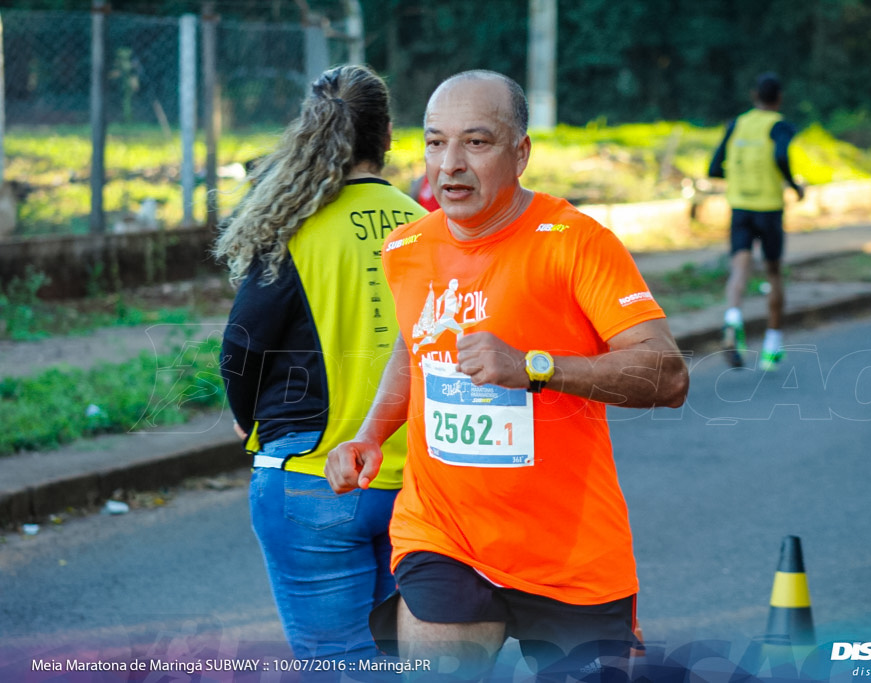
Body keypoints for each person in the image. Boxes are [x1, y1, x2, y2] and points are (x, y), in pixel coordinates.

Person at [324, 69, 689, 681]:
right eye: (436, 142)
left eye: (477, 141)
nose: (451, 164)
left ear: (521, 153)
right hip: (444, 534)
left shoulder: (574, 242)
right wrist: (370, 433)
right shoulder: (406, 248)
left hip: (570, 552)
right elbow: (414, 351)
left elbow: (668, 375)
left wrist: (532, 368)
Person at [214, 64, 427, 661]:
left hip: (313, 473)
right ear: (387, 134)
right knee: (402, 661)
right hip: (415, 480)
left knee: (339, 661)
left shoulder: (295, 229)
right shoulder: (428, 226)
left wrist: (246, 415)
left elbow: (242, 345)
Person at [708, 72, 804, 371]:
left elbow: (714, 167)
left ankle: (733, 317)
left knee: (739, 266)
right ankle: (771, 347)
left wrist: (735, 178)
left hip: (740, 207)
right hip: (769, 208)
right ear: (778, 98)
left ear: (754, 96)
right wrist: (794, 185)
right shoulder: (780, 126)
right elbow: (781, 156)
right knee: (774, 273)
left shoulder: (736, 124)